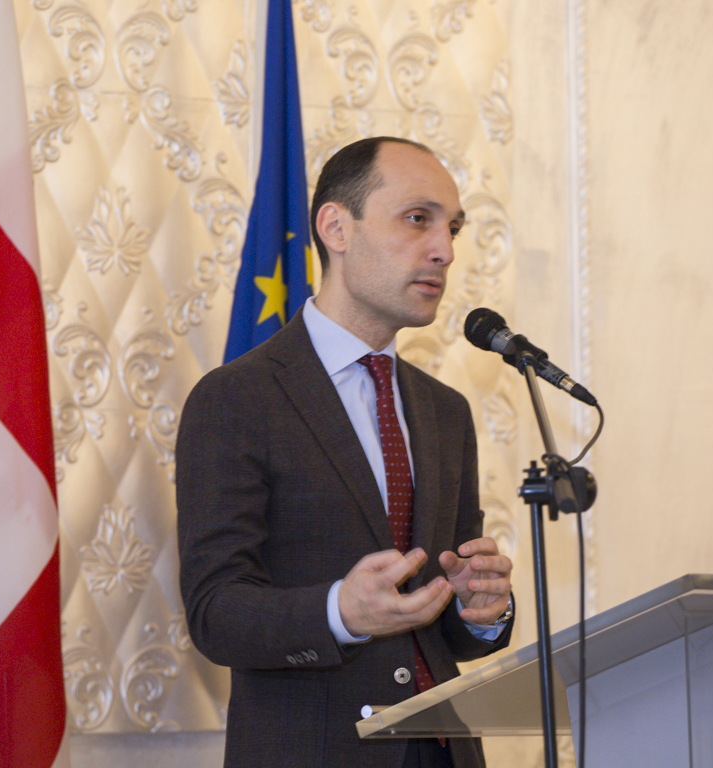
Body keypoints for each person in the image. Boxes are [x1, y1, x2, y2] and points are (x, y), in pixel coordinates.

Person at [176, 136, 514, 768]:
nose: (443, 250)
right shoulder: (238, 398)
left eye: (452, 228)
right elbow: (215, 612)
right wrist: (341, 611)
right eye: (417, 218)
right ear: (336, 227)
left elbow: (444, 627)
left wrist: (480, 610)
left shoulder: (446, 411)